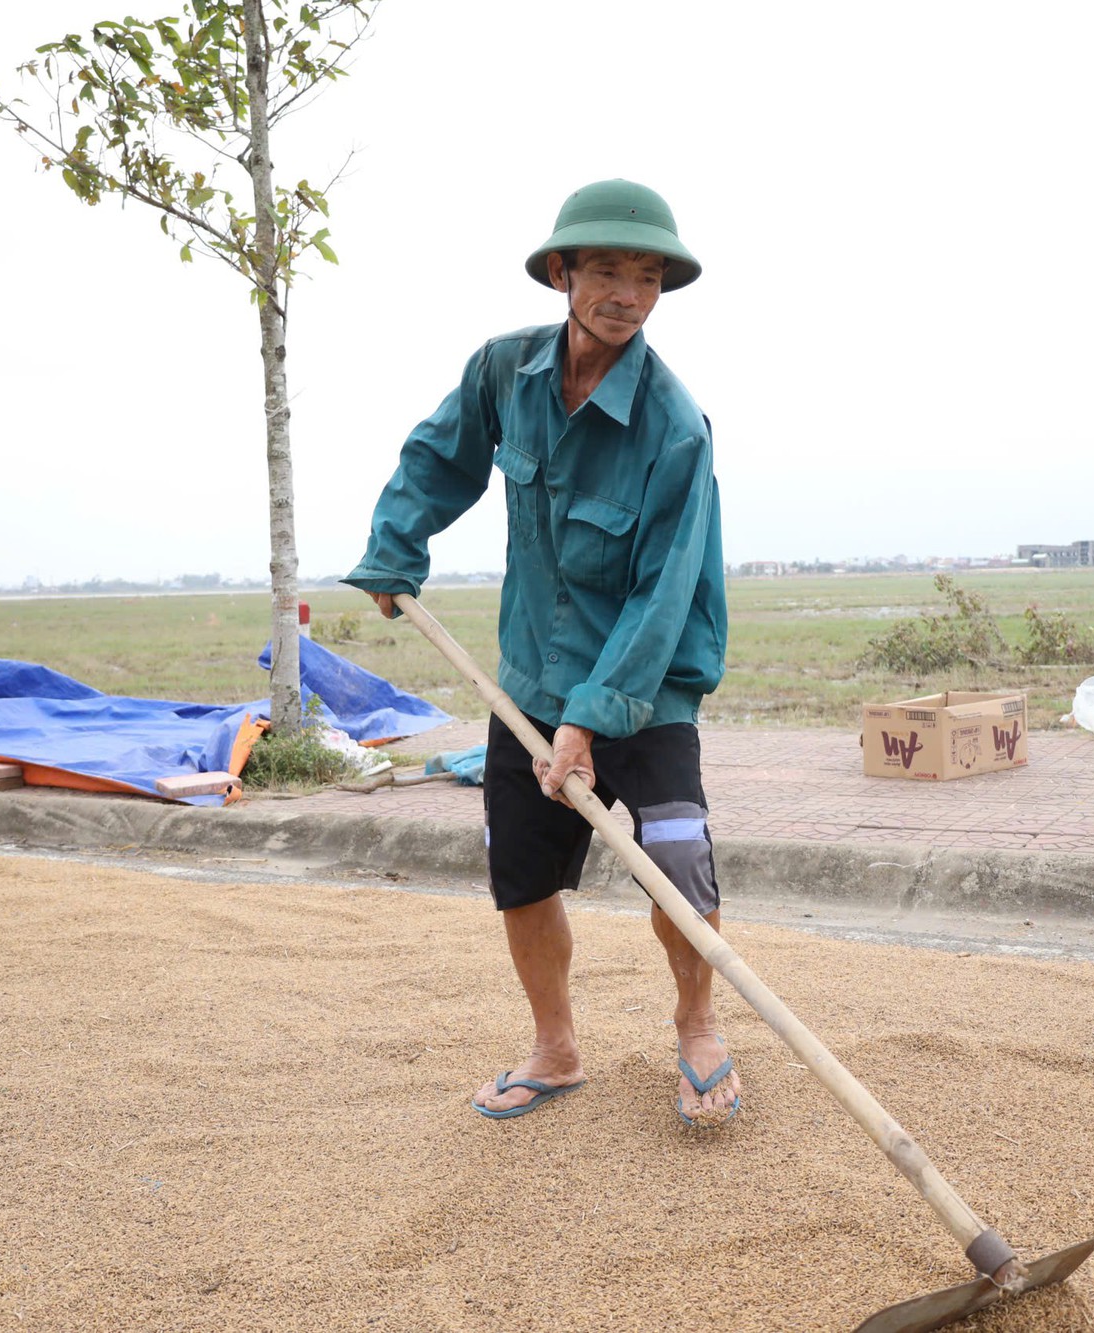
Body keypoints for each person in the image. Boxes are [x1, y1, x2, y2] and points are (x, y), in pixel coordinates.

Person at [342, 180, 739, 1127]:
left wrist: (592, 721)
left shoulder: (674, 429)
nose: (627, 294)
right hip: (529, 675)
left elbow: (662, 592)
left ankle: (698, 1027)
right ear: (562, 273)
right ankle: (555, 1050)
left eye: (647, 278)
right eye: (606, 269)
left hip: (647, 684)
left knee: (676, 863)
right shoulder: (504, 373)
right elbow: (438, 457)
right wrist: (398, 548)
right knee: (520, 873)